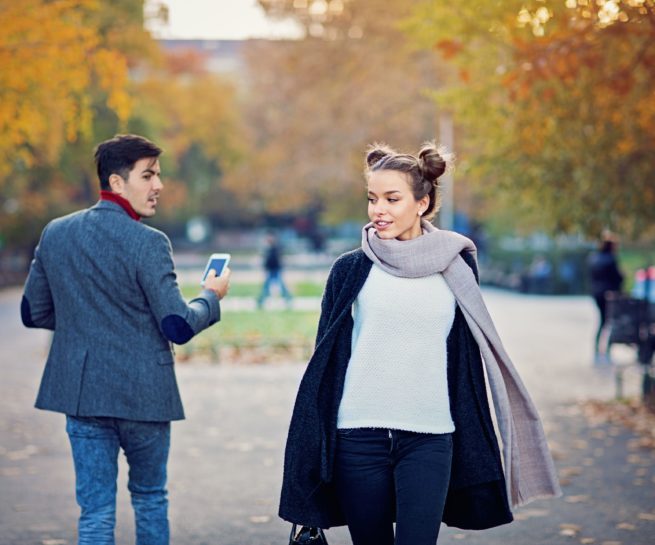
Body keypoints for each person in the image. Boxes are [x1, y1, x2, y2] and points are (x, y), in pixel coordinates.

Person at [279, 142, 560, 545]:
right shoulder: (352, 269)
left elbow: (463, 361)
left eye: (393, 199)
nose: (379, 210)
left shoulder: (455, 266)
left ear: (422, 203)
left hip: (429, 437)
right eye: (373, 199)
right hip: (358, 436)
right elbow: (325, 363)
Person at [20, 134, 231, 545]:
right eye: (148, 175)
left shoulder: (57, 232)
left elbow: (34, 313)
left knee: (95, 513)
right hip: (144, 396)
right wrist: (211, 296)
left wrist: (86, 319)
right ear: (117, 183)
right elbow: (178, 326)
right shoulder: (150, 243)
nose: (159, 186)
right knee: (150, 499)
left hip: (83, 395)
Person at [588, 232, 624, 364]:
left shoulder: (594, 258)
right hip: (609, 295)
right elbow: (617, 278)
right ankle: (607, 350)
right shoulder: (610, 259)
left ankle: (597, 349)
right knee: (608, 321)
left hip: (596, 294)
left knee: (602, 321)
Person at [257, 232, 292, 308]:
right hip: (271, 270)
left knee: (281, 286)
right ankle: (261, 300)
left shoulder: (276, 248)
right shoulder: (268, 249)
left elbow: (276, 260)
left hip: (275, 270)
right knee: (266, 287)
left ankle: (288, 298)